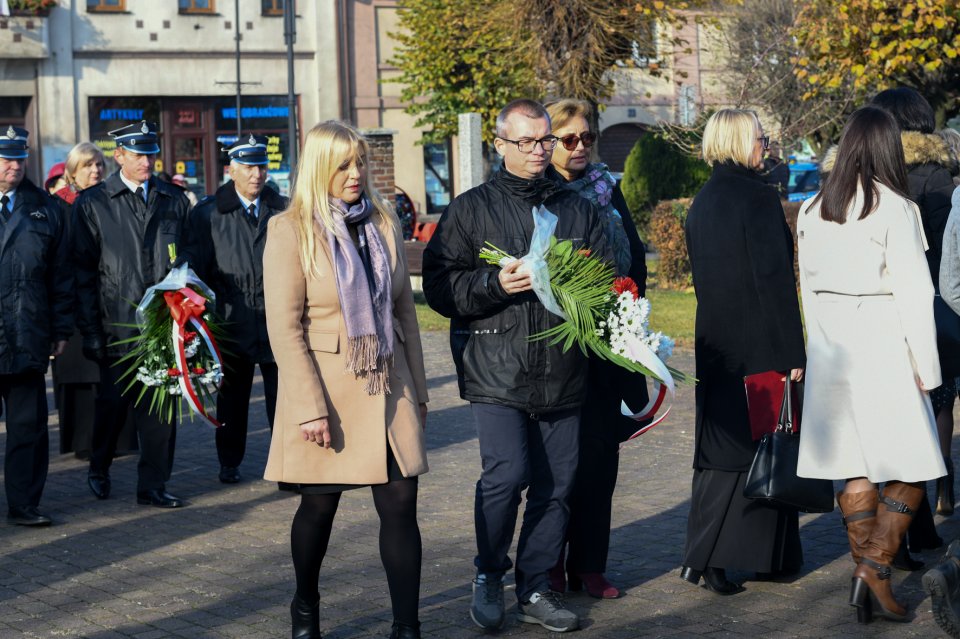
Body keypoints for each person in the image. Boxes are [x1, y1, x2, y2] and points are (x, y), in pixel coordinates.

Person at [422, 98, 610, 633]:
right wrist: (493, 285)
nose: (538, 151)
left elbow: (606, 280)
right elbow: (438, 285)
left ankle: (534, 587)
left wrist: (584, 291)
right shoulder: (471, 208)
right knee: (506, 477)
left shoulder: (576, 208)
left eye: (545, 140)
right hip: (496, 368)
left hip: (564, 368)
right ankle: (488, 572)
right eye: (526, 142)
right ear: (500, 145)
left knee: (558, 483)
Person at [262, 121, 429, 639]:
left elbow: (405, 312)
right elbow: (284, 328)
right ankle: (306, 605)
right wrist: (309, 407)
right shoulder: (290, 230)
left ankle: (407, 627)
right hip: (327, 392)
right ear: (319, 168)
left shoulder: (380, 222)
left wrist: (420, 392)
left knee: (401, 502)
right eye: (342, 165)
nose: (355, 174)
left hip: (387, 383)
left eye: (358, 162)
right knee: (319, 506)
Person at [796, 105, 946, 623]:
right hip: (882, 340)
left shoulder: (815, 208)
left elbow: (807, 290)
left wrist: (818, 350)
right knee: (916, 462)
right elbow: (915, 292)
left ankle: (870, 573)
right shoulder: (896, 208)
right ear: (888, 148)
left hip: (833, 347)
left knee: (853, 467)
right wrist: (927, 367)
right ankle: (874, 566)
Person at [680, 109, 806, 595]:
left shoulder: (703, 201)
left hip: (716, 340)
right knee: (761, 450)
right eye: (760, 137)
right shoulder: (757, 197)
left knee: (724, 450)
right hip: (758, 344)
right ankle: (714, 557)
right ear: (736, 140)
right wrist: (792, 351)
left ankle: (758, 555)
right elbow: (773, 281)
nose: (767, 145)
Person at [544, 98, 648, 600]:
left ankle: (590, 565)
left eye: (587, 137)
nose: (581, 146)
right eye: (569, 139)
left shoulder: (608, 188)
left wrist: (627, 302)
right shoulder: (539, 194)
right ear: (550, 143)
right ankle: (548, 565)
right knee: (559, 465)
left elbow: (634, 254)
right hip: (559, 348)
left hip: (609, 345)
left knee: (601, 460)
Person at [73, 120, 191, 508]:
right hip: (116, 324)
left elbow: (187, 263)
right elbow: (82, 272)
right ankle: (99, 465)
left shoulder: (172, 200)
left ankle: (153, 485)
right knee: (113, 406)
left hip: (162, 325)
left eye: (151, 153)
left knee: (161, 411)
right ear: (119, 155)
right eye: (138, 154)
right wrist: (91, 331)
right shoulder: (94, 203)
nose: (147, 161)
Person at [872, 88, 957, 537]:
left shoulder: (865, 177)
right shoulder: (935, 176)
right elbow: (947, 251)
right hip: (931, 306)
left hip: (878, 315)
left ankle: (911, 520)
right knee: (932, 408)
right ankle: (932, 495)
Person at [179, 134, 286, 484]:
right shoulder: (208, 214)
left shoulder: (283, 209)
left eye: (262, 166)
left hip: (277, 321)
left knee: (284, 401)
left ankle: (288, 466)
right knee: (233, 402)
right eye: (249, 166)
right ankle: (229, 462)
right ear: (231, 170)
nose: (257, 174)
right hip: (230, 320)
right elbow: (196, 267)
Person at [0, 126, 72, 526]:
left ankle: (24, 503)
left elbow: (61, 276)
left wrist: (61, 329)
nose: (15, 165)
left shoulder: (45, 209)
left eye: (19, 157)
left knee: (28, 428)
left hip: (28, 332)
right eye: (7, 158)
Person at [49, 142, 134, 460]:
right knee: (82, 377)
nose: (95, 170)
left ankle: (121, 438)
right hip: (72, 303)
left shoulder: (112, 203)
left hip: (110, 299)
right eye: (87, 165)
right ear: (72, 171)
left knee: (113, 372)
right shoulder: (59, 206)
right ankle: (85, 441)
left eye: (99, 164)